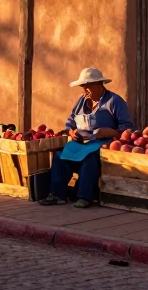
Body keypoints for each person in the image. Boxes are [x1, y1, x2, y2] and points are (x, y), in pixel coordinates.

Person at [38, 67, 134, 208]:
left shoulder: (114, 101)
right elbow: (69, 123)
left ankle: (84, 197)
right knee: (60, 156)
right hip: (81, 143)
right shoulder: (81, 101)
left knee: (90, 159)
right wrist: (72, 132)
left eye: (88, 87)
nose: (84, 91)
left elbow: (128, 128)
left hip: (102, 144)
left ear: (99, 85)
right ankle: (57, 194)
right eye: (83, 87)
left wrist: (110, 132)